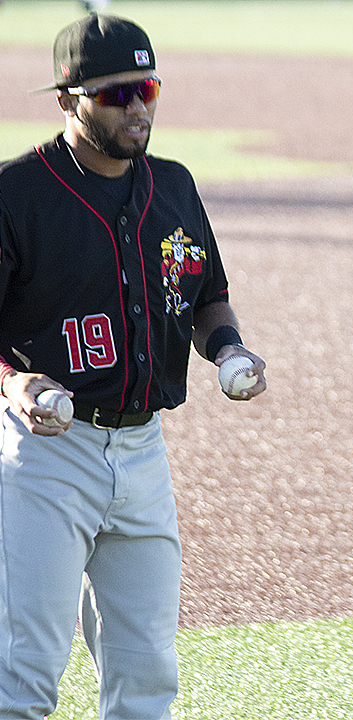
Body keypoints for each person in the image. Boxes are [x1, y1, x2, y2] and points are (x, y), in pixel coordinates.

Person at [0, 13, 266, 720]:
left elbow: (207, 295)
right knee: (23, 675)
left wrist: (229, 348)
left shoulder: (173, 186)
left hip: (144, 454)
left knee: (147, 674)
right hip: (47, 456)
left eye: (146, 88)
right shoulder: (16, 193)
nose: (137, 106)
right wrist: (14, 380)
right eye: (116, 94)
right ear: (68, 99)